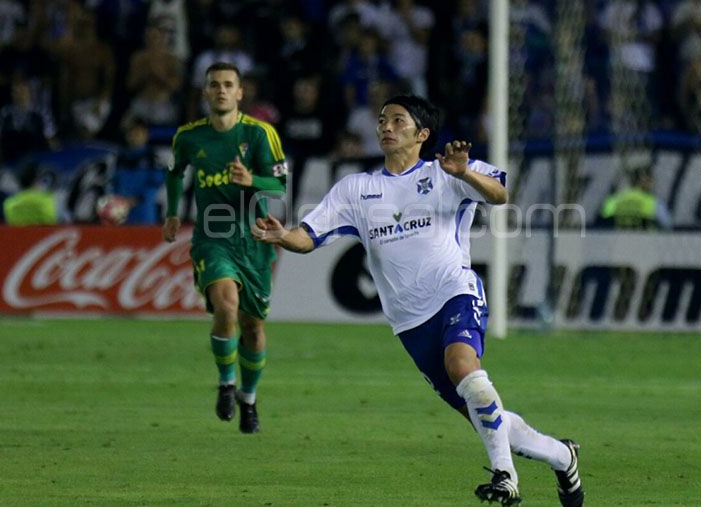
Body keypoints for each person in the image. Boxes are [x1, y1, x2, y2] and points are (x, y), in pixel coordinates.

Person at [252, 94, 583, 506]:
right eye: (382, 120)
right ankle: (562, 456)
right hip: (409, 323)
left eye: (397, 120)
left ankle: (505, 478)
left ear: (422, 134)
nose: (386, 127)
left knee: (464, 368)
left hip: (454, 291)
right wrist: (283, 235)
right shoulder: (357, 189)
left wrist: (465, 175)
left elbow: (500, 194)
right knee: (485, 416)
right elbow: (308, 236)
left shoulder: (446, 171)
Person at [163, 62, 288, 434]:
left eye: (228, 84)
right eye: (214, 84)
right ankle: (225, 383)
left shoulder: (261, 134)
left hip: (254, 240)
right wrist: (172, 213)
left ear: (239, 93)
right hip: (212, 239)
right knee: (226, 305)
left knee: (252, 327)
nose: (220, 90)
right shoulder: (188, 137)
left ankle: (248, 399)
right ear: (205, 92)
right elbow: (173, 172)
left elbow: (279, 187)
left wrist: (252, 179)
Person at [598, 166, 672, 230]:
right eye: (649, 180)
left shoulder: (613, 200)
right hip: (646, 243)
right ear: (641, 181)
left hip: (617, 243)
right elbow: (668, 225)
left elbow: (601, 224)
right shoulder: (653, 202)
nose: (652, 184)